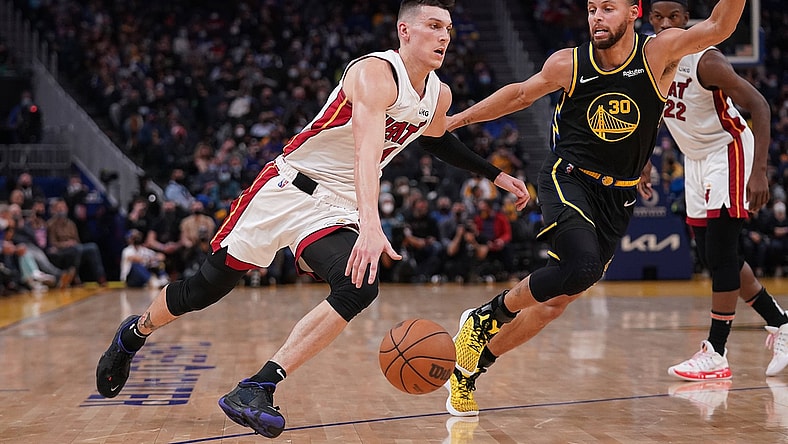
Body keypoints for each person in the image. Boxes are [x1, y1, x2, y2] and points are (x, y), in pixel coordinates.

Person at [94, 0, 529, 439]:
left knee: (359, 284)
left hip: (336, 205)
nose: (444, 37)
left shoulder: (440, 93)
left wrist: (495, 174)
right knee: (205, 288)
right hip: (288, 188)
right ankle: (134, 333)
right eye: (434, 26)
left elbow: (435, 139)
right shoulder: (374, 74)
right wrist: (372, 224)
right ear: (404, 31)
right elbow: (365, 150)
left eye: (448, 29)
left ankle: (258, 386)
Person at [441, 0, 750, 417]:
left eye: (608, 8)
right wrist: (455, 122)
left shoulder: (658, 52)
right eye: (591, 9)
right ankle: (482, 319)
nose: (597, 18)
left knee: (554, 303)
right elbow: (518, 94)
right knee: (582, 266)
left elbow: (718, 25)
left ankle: (470, 369)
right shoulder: (569, 63)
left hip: (617, 197)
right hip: (567, 178)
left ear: (633, 12)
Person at [645, 0, 788, 382]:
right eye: (657, 17)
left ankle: (717, 352)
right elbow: (651, 116)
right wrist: (643, 162)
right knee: (715, 256)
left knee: (722, 254)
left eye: (673, 16)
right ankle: (781, 323)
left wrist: (759, 172)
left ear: (686, 20)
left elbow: (759, 105)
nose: (665, 24)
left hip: (729, 151)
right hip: (695, 159)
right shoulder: (651, 60)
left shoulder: (706, 61)